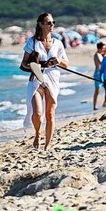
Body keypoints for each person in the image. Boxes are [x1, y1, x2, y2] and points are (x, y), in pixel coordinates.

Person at [19, 13, 69, 150]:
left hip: (53, 78)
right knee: (38, 113)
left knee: (50, 113)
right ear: (41, 24)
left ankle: (47, 145)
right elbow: (23, 63)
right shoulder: (32, 42)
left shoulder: (58, 43)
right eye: (49, 23)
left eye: (53, 22)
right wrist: (33, 67)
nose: (52, 25)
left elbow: (66, 64)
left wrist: (58, 61)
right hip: (36, 79)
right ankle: (37, 133)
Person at [92, 42, 106, 111]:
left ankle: (105, 103)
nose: (104, 49)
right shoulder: (97, 54)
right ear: (99, 48)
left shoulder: (101, 54)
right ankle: (95, 105)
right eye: (103, 48)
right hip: (98, 73)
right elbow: (102, 63)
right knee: (97, 90)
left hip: (102, 73)